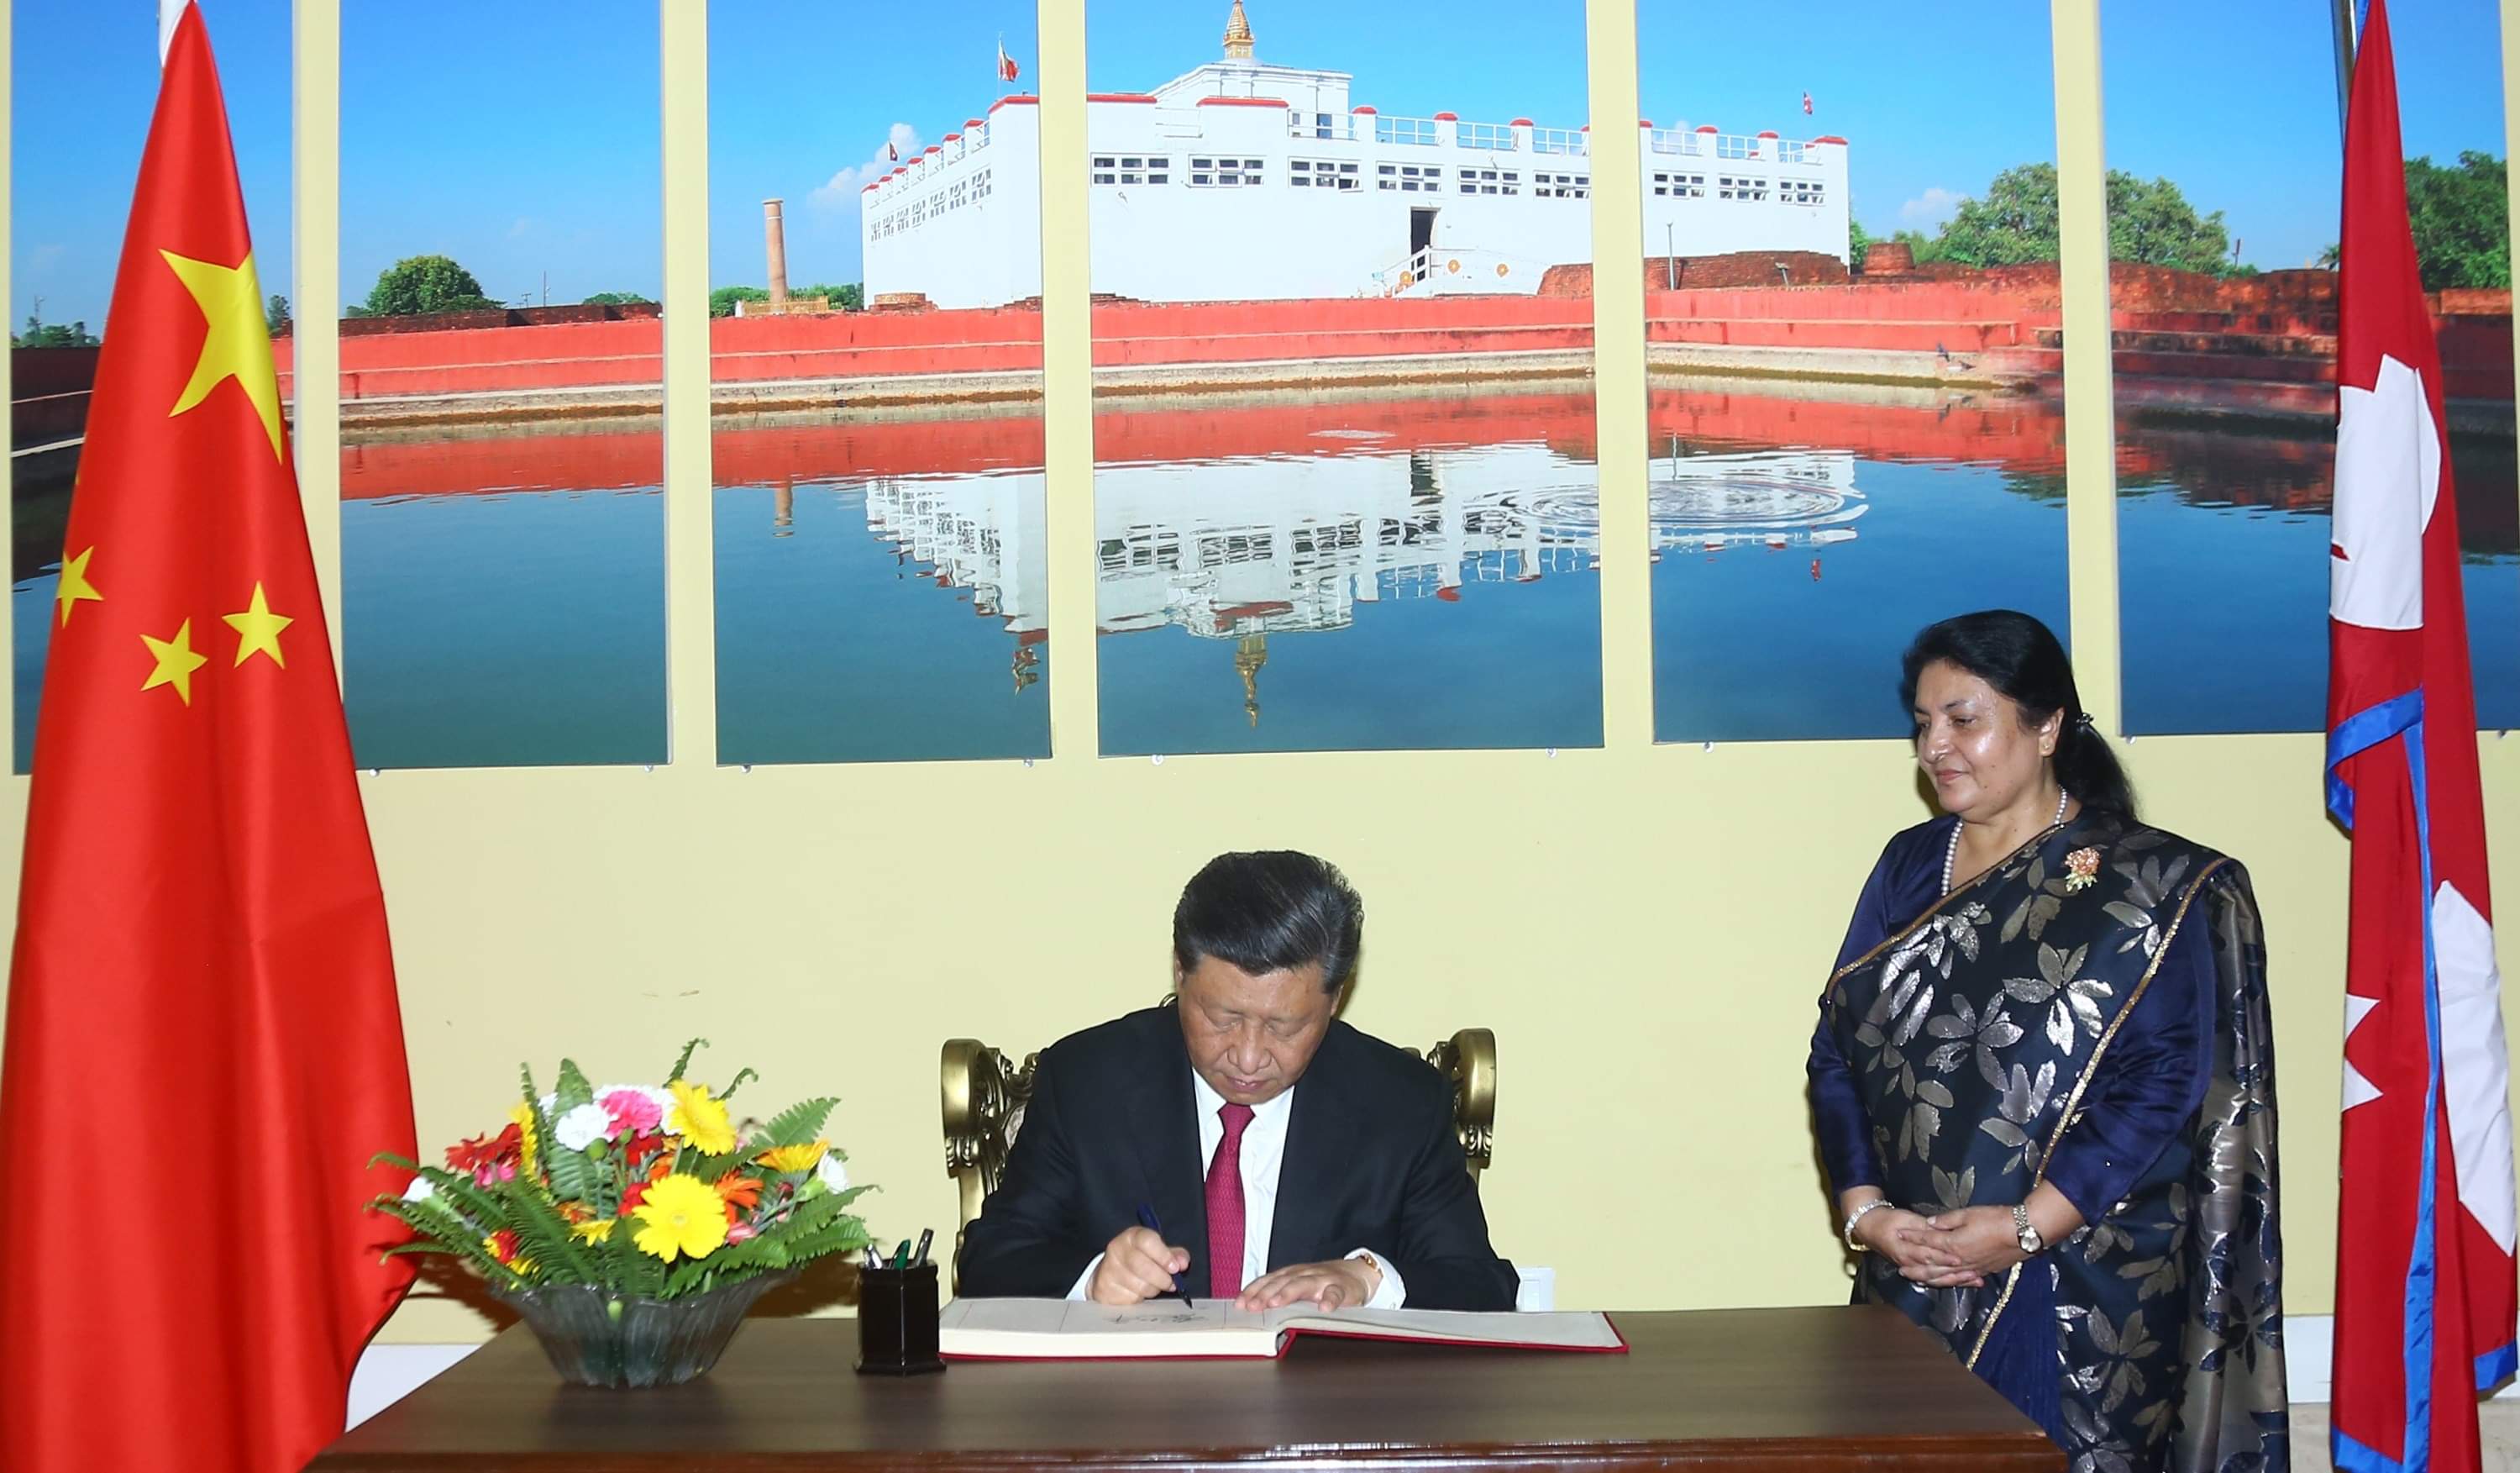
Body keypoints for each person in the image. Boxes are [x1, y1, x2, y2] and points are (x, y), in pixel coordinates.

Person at [1807, 611, 2286, 1472]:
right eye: (1923, 722)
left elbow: (2160, 1084)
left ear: (2048, 726)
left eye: (1964, 719)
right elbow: (1838, 1049)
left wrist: (2026, 1228)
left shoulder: (2147, 884)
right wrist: (1868, 1214)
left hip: (2080, 1286)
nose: (1935, 747)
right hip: (1916, 1273)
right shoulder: (1909, 865)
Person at [957, 850, 1519, 1312]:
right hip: (1135, 1406)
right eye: (1221, 1018)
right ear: (1180, 972)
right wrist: (1095, 1277)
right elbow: (990, 1260)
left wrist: (1369, 1277)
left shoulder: (1401, 1102)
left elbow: (1481, 1285)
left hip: (1322, 1409)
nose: (1248, 1058)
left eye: (1284, 1027)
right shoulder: (1088, 1082)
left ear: (1336, 999)